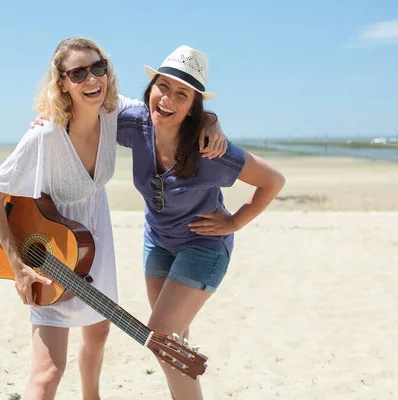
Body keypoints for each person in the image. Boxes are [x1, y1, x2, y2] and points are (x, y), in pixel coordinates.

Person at [0, 38, 226, 400]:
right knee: (48, 373)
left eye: (98, 68)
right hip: (50, 248)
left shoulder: (114, 114)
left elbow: (168, 109)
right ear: (62, 82)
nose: (91, 79)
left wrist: (210, 118)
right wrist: (17, 266)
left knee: (97, 337)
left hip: (96, 239)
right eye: (77, 73)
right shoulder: (45, 136)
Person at [116, 45, 286, 400]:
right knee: (175, 341)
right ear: (151, 89)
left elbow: (273, 181)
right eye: (163, 86)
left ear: (194, 106)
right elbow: (90, 112)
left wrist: (235, 222)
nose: (167, 99)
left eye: (182, 94)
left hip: (203, 246)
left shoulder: (211, 151)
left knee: (161, 334)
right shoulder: (135, 124)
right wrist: (47, 121)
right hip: (158, 241)